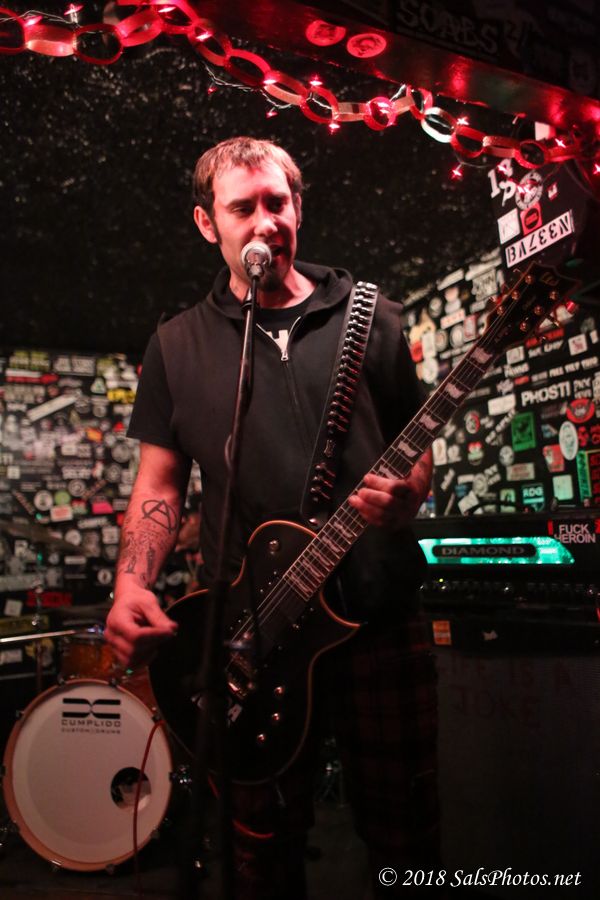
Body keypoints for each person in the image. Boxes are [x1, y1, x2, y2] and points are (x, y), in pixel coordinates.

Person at [105, 136, 438, 898]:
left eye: (277, 203)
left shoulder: (373, 316)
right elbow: (159, 485)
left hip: (378, 618)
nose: (265, 222)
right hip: (253, 632)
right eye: (242, 207)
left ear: (298, 208)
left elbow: (415, 445)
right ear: (206, 224)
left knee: (410, 838)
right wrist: (131, 585)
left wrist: (411, 492)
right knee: (259, 856)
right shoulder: (176, 347)